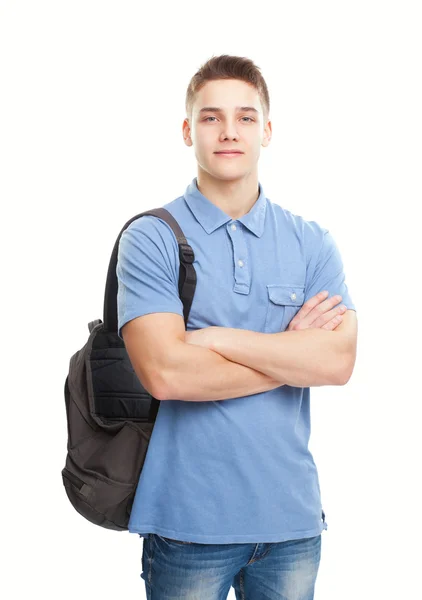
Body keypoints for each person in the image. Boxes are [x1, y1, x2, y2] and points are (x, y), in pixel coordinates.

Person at [116, 54, 358, 600]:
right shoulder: (152, 238)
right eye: (211, 117)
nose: (229, 132)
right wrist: (293, 354)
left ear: (267, 131)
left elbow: (338, 363)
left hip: (292, 523)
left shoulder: (311, 242)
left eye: (246, 117)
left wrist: (218, 340)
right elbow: (167, 374)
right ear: (187, 130)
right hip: (187, 524)